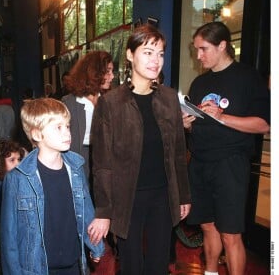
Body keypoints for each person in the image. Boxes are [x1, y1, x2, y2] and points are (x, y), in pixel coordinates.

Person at [88, 24, 191, 275]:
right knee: (131, 265)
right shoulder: (110, 103)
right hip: (127, 197)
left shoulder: (168, 99)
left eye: (161, 53)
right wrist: (103, 211)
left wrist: (184, 195)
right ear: (130, 55)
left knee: (158, 264)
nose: (156, 60)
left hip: (163, 195)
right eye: (148, 52)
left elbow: (178, 151)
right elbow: (101, 163)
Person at [182, 21, 270, 275]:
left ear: (222, 46)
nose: (198, 55)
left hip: (230, 164)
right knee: (208, 227)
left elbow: (263, 124)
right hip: (199, 163)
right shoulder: (199, 83)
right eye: (196, 49)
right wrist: (187, 124)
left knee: (230, 234)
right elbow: (199, 124)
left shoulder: (248, 78)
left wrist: (222, 117)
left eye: (203, 49)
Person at [0, 97, 105, 275]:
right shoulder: (18, 179)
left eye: (67, 126)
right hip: (37, 268)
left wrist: (96, 246)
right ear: (36, 134)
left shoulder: (76, 169)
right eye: (58, 127)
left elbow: (87, 213)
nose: (67, 133)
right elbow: (9, 237)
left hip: (74, 264)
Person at [62, 50, 114, 178]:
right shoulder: (69, 103)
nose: (112, 76)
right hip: (78, 158)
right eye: (108, 71)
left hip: (104, 158)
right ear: (94, 73)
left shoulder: (110, 101)